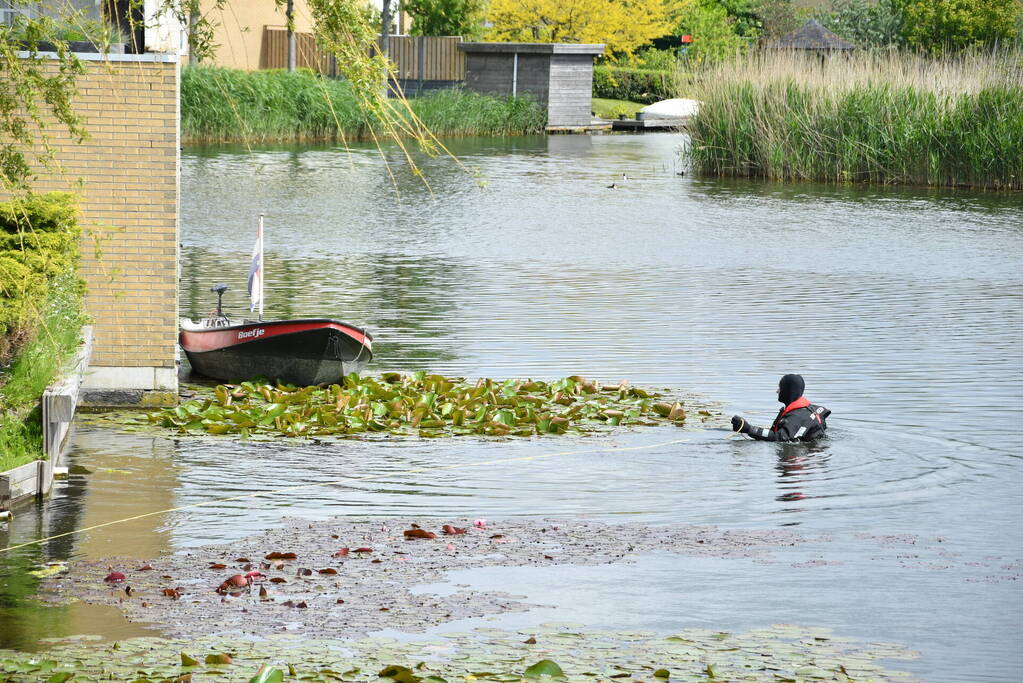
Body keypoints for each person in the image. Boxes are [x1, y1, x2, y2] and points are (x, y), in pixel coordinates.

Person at [731, 374, 830, 442]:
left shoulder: (797, 416)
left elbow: (779, 437)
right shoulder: (803, 411)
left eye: (780, 388)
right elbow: (775, 433)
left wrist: (749, 429)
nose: (777, 391)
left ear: (788, 391)